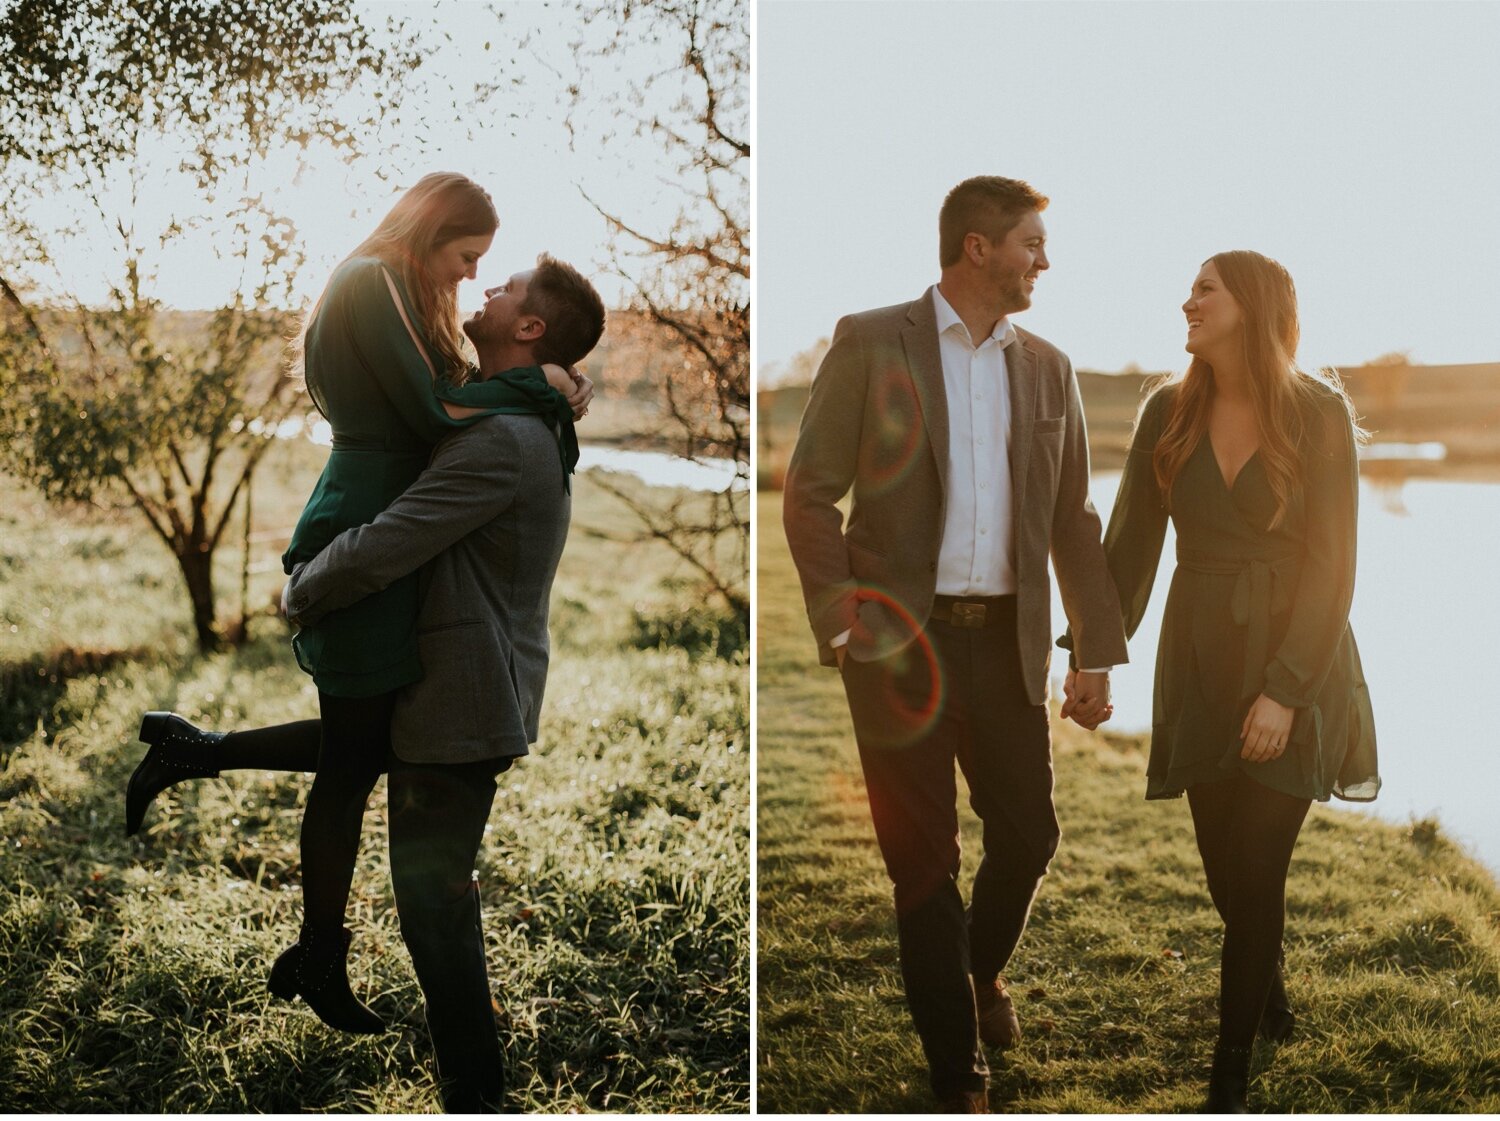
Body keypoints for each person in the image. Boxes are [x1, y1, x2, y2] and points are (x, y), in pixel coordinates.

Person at [124, 174, 590, 1036]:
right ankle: (320, 955)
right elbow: (438, 408)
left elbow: (447, 405)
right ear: (435, 229)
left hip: (387, 527)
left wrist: (548, 385)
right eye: (466, 258)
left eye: (486, 269)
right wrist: (541, 387)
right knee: (349, 764)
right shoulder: (370, 280)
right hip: (358, 525)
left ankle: (199, 755)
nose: (467, 279)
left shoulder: (408, 293)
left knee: (362, 744)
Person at [781, 175, 1128, 1113]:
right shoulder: (869, 339)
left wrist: (1093, 648)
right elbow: (810, 490)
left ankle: (978, 975)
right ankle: (956, 1074)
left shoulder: (1049, 367)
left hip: (1007, 645)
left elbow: (1074, 517)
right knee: (923, 864)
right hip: (900, 647)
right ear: (977, 247)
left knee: (1029, 834)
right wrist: (839, 610)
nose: (1043, 262)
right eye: (1031, 244)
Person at [278, 253, 605, 1111]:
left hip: (463, 704)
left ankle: (476, 1098)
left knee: (435, 915)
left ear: (530, 328)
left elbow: (393, 539)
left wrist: (301, 588)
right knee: (427, 892)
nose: (488, 287)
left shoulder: (502, 438)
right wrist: (564, 383)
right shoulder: (510, 408)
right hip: (461, 690)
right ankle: (193, 750)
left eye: (507, 291)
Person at [1082, 250, 1378, 1111]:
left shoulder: (1317, 412)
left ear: (1250, 304)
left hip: (1299, 652)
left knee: (1259, 867)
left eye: (1204, 289)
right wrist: (1094, 653)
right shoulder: (1167, 412)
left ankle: (1229, 1072)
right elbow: (1132, 545)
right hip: (1200, 658)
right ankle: (1268, 977)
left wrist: (1286, 691)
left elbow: (1334, 565)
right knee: (1225, 871)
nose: (1187, 302)